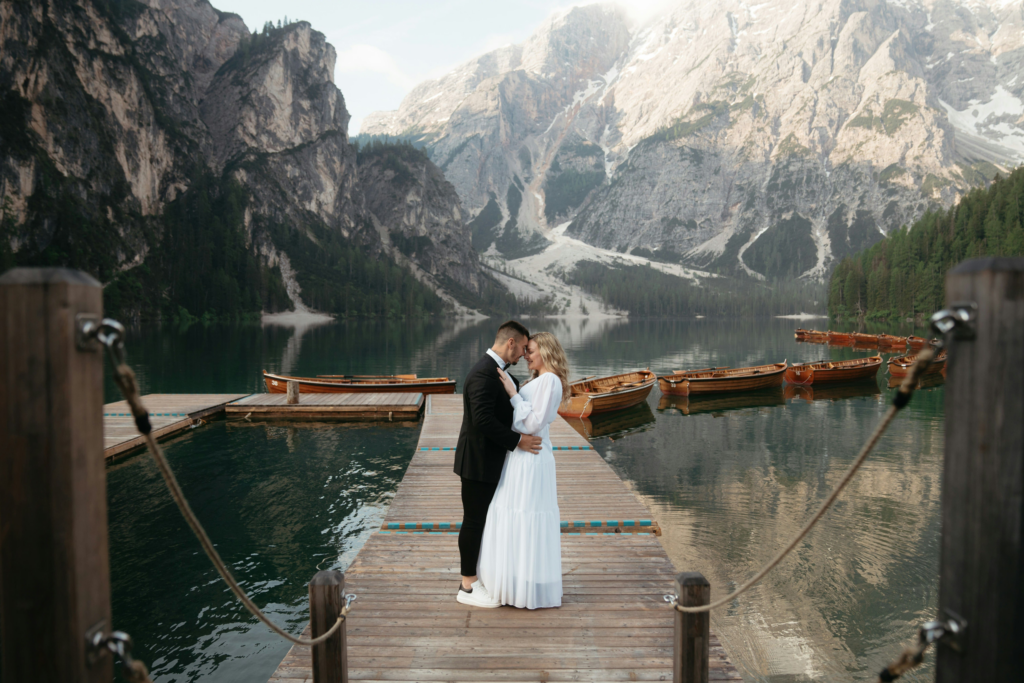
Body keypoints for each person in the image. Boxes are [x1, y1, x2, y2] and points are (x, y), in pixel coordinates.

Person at [454, 321, 543, 608]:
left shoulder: (495, 372)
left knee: (483, 520)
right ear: (511, 343)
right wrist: (519, 441)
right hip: (477, 462)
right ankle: (467, 585)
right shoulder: (483, 373)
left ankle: (480, 577)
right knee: (474, 521)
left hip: (488, 460)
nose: (522, 356)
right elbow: (482, 420)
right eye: (522, 349)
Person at [477, 331, 569, 609]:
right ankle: (514, 583)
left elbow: (533, 424)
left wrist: (514, 395)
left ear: (546, 351)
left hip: (532, 458)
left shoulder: (550, 380)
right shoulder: (538, 380)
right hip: (520, 456)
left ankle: (525, 588)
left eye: (531, 350)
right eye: (525, 350)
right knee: (511, 513)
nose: (525, 355)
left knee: (526, 514)